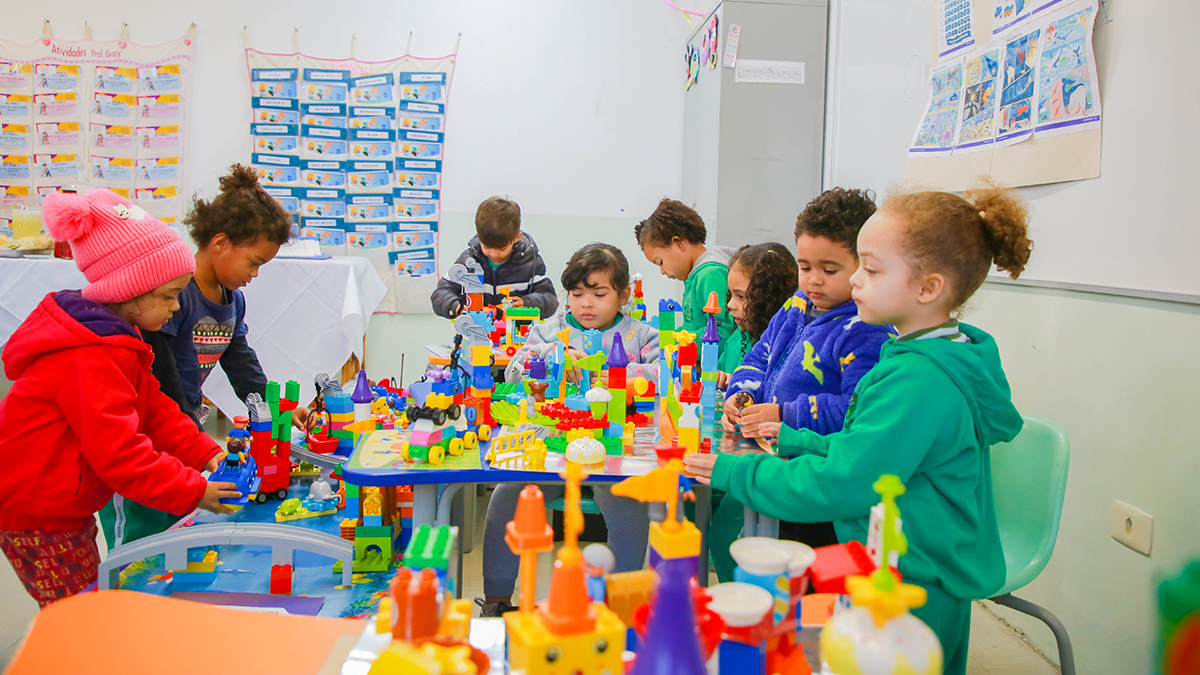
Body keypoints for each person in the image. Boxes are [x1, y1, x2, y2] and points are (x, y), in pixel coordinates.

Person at [685, 180, 1034, 675]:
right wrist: (796, 437)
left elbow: (846, 483)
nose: (854, 281)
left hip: (911, 574)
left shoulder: (919, 378)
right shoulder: (924, 353)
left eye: (869, 269)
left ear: (928, 288)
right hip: (906, 554)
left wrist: (734, 471)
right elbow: (866, 446)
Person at [0, 189, 239, 608]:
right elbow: (120, 454)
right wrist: (194, 490)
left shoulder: (117, 341)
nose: (176, 307)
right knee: (76, 614)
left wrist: (206, 454)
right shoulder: (91, 355)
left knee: (84, 602)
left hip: (63, 503)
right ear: (129, 289)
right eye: (168, 295)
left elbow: (156, 409)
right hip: (38, 513)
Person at [99, 164, 305, 550]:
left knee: (177, 528)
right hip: (145, 436)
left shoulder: (232, 301)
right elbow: (160, 376)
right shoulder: (170, 296)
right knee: (141, 538)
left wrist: (276, 408)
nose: (254, 274)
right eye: (254, 262)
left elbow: (240, 361)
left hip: (181, 432)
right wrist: (187, 433)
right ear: (221, 243)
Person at [710, 188, 892, 581]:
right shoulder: (796, 304)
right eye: (805, 266)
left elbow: (854, 410)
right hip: (777, 460)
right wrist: (743, 393)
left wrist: (784, 414)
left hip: (817, 475)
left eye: (830, 270)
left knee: (809, 570)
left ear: (863, 266)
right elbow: (759, 356)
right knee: (762, 550)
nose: (813, 281)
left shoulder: (866, 329)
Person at [479, 243, 657, 617]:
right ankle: (496, 601)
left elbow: (665, 374)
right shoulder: (550, 330)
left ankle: (618, 605)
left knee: (628, 506)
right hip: (550, 447)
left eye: (599, 294)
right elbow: (512, 370)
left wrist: (619, 375)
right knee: (507, 498)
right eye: (576, 294)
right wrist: (551, 355)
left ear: (624, 295)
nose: (586, 304)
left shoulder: (641, 335)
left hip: (614, 449)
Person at [431, 197, 558, 320]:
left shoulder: (530, 263)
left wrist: (527, 302)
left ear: (516, 237)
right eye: (487, 247)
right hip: (476, 331)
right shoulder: (468, 262)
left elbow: (550, 300)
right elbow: (440, 293)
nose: (494, 254)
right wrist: (457, 308)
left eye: (502, 248)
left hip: (517, 332)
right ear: (479, 235)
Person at [635, 198, 734, 343]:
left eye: (661, 262)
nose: (662, 271)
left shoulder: (710, 275)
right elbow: (692, 328)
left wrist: (682, 345)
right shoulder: (695, 276)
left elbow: (724, 330)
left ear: (679, 244)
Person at [719, 243, 798, 388]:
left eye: (741, 296)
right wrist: (719, 378)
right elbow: (721, 370)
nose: (730, 304)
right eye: (731, 294)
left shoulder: (782, 351)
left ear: (768, 300)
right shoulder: (737, 337)